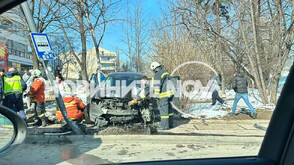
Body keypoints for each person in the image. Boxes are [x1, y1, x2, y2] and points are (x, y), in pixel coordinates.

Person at [150, 62, 174, 130]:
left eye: (153, 70)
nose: (153, 71)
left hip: (164, 94)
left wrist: (156, 95)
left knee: (164, 110)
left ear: (154, 68)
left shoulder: (158, 74)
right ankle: (170, 124)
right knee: (169, 109)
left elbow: (157, 86)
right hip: (170, 94)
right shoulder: (165, 72)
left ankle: (164, 126)